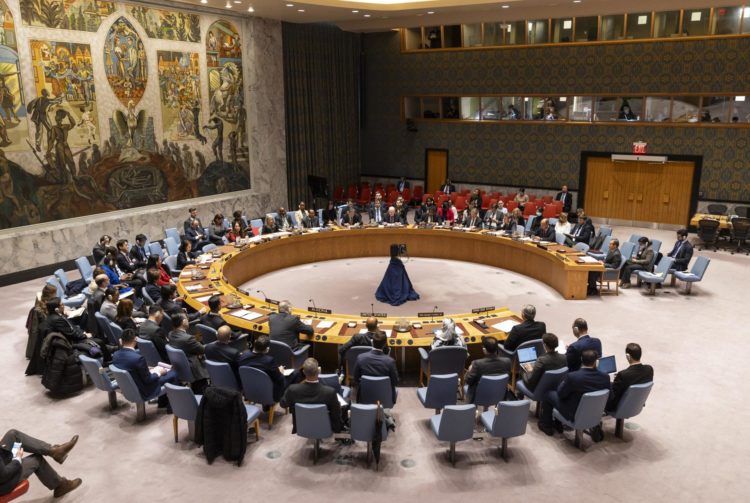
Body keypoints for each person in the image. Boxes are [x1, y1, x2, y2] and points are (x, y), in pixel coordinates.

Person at [538, 349, 610, 437]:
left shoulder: (573, 377)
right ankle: (557, 423)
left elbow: (561, 394)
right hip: (596, 411)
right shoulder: (605, 377)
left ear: (581, 360)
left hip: (573, 412)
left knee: (548, 394)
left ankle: (546, 425)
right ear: (596, 362)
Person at [0, 429, 81, 498]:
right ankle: (61, 486)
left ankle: (54, 451)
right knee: (36, 459)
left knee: (13, 435)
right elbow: (4, 475)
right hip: (4, 482)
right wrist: (17, 459)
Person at [112, 328, 178, 409]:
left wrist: (146, 369)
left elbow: (129, 368)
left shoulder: (115, 355)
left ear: (121, 341)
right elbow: (148, 380)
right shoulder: (138, 358)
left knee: (160, 372)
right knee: (173, 374)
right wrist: (159, 372)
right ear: (135, 339)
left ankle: (163, 403)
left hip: (130, 387)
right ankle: (173, 408)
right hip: (145, 390)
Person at [280, 358, 343, 434]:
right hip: (324, 425)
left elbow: (283, 404)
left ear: (303, 372)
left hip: (301, 426)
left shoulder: (292, 390)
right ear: (319, 371)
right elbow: (336, 414)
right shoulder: (330, 392)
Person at [352, 331, 399, 406]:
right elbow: (395, 382)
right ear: (384, 344)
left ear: (372, 342)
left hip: (365, 396)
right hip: (385, 397)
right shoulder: (390, 361)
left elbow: (355, 380)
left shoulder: (360, 358)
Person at [606, 343, 654, 412]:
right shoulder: (649, 369)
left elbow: (614, 396)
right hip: (637, 403)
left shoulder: (623, 375)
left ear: (628, 356)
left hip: (620, 407)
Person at [238, 335, 287, 401]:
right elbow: (278, 378)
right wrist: (281, 371)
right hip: (267, 392)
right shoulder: (269, 361)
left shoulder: (243, 355)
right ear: (267, 349)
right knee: (289, 377)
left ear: (255, 343)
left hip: (249, 389)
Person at [464, 336, 511, 404]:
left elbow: (468, 381)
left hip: (479, 396)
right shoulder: (507, 361)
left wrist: (469, 370)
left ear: (484, 350)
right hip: (499, 394)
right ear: (497, 348)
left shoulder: (477, 364)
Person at [168, 313, 209, 386]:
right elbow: (203, 350)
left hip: (181, 365)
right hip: (194, 368)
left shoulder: (170, 334)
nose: (188, 320)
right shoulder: (188, 338)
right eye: (187, 318)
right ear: (183, 322)